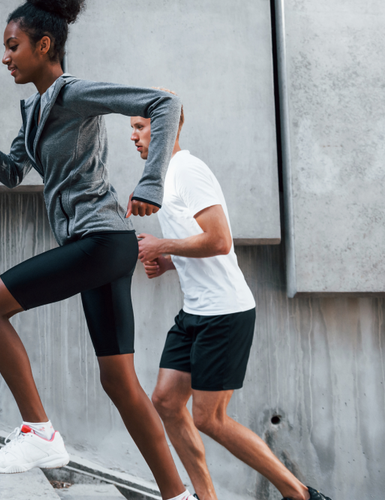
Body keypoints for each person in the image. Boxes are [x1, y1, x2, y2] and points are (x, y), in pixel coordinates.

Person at [0, 0, 195, 500]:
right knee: (119, 382)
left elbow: (163, 104)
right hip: (100, 247)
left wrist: (150, 180)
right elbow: (13, 173)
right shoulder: (33, 110)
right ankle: (178, 496)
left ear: (44, 46)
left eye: (12, 47)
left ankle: (39, 434)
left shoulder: (72, 93)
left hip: (102, 240)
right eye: (3, 49)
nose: (5, 58)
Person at [132, 102, 332, 500]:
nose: (133, 136)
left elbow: (220, 239)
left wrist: (161, 244)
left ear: (168, 128)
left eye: (140, 127)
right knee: (167, 401)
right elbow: (201, 241)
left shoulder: (188, 170)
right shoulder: (165, 176)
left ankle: (300, 494)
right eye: (132, 129)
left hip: (224, 312)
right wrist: (170, 261)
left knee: (211, 418)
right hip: (195, 311)